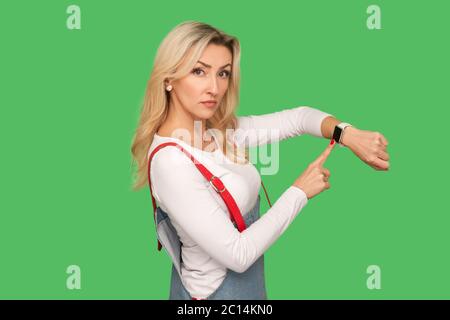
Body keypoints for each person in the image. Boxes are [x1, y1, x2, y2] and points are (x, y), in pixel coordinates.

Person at [130, 21, 390, 300]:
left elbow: (299, 118)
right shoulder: (171, 162)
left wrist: (347, 134)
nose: (214, 88)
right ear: (169, 79)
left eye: (223, 73)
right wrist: (299, 192)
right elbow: (238, 255)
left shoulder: (218, 133)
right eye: (199, 71)